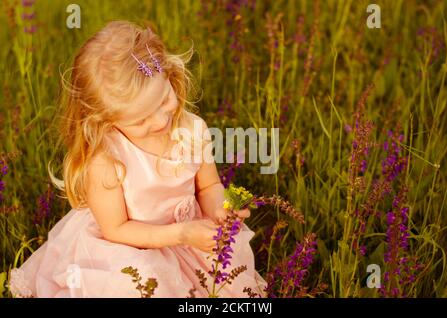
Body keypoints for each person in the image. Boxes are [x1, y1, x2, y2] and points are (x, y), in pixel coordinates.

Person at [8, 20, 266, 298]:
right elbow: (116, 229)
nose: (160, 120)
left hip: (189, 234)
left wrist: (219, 209)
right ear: (104, 120)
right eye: (141, 119)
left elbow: (208, 186)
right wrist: (180, 234)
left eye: (165, 99)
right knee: (136, 284)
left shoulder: (193, 129)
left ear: (170, 76)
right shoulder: (106, 161)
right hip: (129, 244)